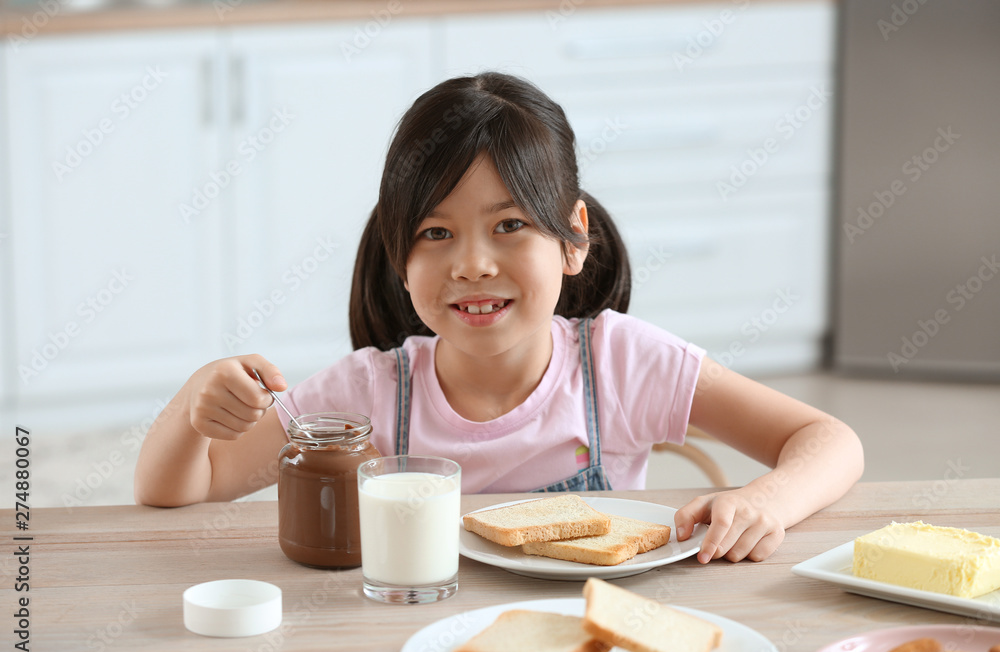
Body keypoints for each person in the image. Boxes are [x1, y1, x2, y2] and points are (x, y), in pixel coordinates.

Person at [134, 72, 863, 564]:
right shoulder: (368, 392)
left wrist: (766, 499)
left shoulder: (620, 363)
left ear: (573, 237)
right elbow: (182, 488)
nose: (473, 264)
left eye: (510, 225)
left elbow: (827, 439)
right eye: (436, 233)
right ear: (398, 256)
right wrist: (196, 406)